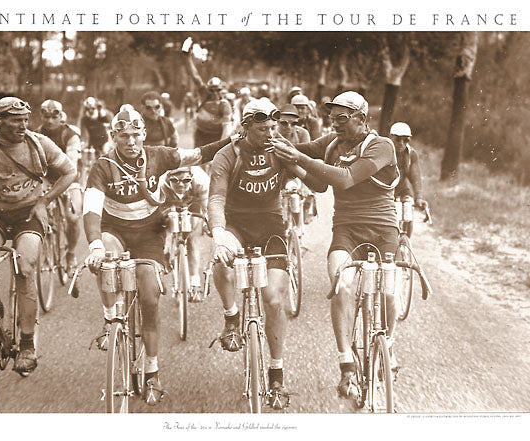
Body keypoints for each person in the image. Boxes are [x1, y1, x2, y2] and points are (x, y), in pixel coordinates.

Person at [82, 108, 232, 405]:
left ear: (144, 135)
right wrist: (95, 245)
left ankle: (152, 372)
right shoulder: (102, 166)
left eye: (136, 134)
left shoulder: (159, 155)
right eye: (123, 135)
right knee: (107, 262)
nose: (131, 141)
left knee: (150, 297)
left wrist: (233, 140)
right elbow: (91, 208)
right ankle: (110, 319)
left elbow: (198, 154)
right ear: (113, 137)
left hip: (150, 235)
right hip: (115, 230)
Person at [272, 91, 400, 399]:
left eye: (342, 118)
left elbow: (343, 179)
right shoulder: (331, 143)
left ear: (361, 118)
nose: (335, 124)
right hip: (347, 229)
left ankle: (390, 345)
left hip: (383, 229)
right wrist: (268, 142)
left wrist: (298, 159)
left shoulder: (382, 146)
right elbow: (317, 181)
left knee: (388, 290)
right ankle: (346, 364)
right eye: (332, 119)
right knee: (341, 285)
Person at [208, 99, 327, 409]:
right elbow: (216, 199)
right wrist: (219, 234)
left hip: (271, 226)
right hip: (236, 224)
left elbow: (319, 185)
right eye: (263, 129)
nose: (270, 134)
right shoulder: (228, 155)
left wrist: (297, 157)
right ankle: (232, 316)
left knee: (273, 299)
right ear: (246, 128)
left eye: (274, 128)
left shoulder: (281, 149)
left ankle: (276, 373)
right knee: (220, 260)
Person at [0, 97, 76, 374]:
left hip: (28, 214)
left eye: (25, 119)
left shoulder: (39, 144)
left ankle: (27, 343)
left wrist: (44, 201)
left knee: (26, 264)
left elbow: (70, 171)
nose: (23, 125)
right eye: (16, 120)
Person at [37, 99, 83, 274]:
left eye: (53, 116)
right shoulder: (35, 134)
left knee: (72, 218)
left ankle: (71, 253)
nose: (49, 121)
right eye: (46, 116)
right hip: (46, 179)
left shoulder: (70, 135)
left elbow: (71, 162)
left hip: (69, 179)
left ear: (60, 116)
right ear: (41, 115)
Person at [159, 166, 210, 301]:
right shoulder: (160, 184)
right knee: (162, 231)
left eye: (186, 180)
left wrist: (207, 223)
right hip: (168, 203)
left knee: (192, 238)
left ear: (192, 177)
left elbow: (207, 207)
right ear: (168, 179)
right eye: (175, 180)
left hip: (193, 202)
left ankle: (195, 283)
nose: (180, 184)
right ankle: (166, 255)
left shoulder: (201, 180)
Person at [182, 38, 233, 147]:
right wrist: (187, 57)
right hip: (201, 132)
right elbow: (194, 75)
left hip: (216, 134)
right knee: (199, 159)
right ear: (208, 89)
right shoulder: (204, 93)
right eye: (212, 90)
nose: (215, 93)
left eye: (218, 90)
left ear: (221, 90)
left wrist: (222, 145)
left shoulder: (224, 104)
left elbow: (227, 127)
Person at [276, 104, 317, 224]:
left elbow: (306, 162)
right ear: (277, 122)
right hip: (275, 174)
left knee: (295, 197)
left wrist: (305, 185)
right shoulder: (271, 133)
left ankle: (298, 233)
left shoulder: (303, 134)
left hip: (295, 174)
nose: (289, 127)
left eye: (293, 123)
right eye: (284, 123)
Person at [389, 122, 427, 237]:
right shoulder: (384, 151)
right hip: (386, 191)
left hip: (403, 189)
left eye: (405, 140)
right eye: (398, 139)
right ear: (391, 138)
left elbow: (415, 176)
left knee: (408, 216)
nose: (401, 143)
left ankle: (407, 245)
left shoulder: (411, 154)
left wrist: (418, 197)